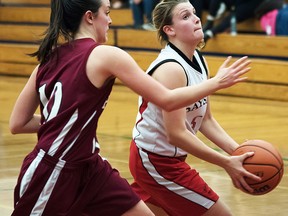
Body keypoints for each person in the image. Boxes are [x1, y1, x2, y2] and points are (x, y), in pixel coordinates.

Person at [9, 0, 251, 215]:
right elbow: (167, 99)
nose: (111, 19)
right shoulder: (106, 54)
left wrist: (66, 121)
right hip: (54, 169)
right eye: (107, 11)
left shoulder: (48, 58)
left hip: (91, 167)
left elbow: (18, 123)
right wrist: (216, 83)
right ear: (90, 17)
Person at [129, 0, 261, 215]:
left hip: (167, 159)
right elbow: (177, 134)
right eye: (185, 16)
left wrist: (239, 153)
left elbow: (205, 120)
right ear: (169, 30)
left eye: (194, 13)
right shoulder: (171, 69)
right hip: (155, 160)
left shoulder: (198, 59)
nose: (196, 18)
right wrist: (226, 162)